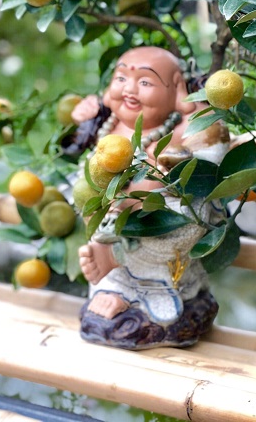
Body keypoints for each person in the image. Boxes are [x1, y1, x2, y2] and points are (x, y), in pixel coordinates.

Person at [72, 46, 228, 349]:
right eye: (121, 78)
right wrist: (85, 116)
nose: (130, 89)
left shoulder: (182, 130)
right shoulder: (107, 124)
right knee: (89, 200)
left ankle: (122, 275)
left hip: (158, 225)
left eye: (145, 82)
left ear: (176, 91)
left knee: (187, 213)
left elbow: (210, 158)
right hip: (108, 214)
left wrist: (195, 116)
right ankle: (113, 274)